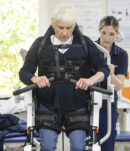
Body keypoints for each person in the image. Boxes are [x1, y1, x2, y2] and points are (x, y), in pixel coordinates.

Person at [19, 4, 110, 151]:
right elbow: (24, 73)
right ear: (53, 23)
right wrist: (34, 79)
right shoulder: (40, 44)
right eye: (60, 28)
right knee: (47, 147)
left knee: (78, 146)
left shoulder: (85, 43)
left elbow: (103, 69)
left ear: (74, 25)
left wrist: (91, 80)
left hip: (78, 105)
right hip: (47, 105)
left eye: (69, 28)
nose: (64, 32)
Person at [96, 16, 128, 151]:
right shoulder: (89, 50)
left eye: (111, 34)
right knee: (87, 145)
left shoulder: (121, 55)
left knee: (107, 146)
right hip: (87, 105)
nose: (107, 38)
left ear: (116, 34)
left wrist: (112, 75)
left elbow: (119, 86)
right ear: (99, 31)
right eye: (104, 33)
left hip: (108, 108)